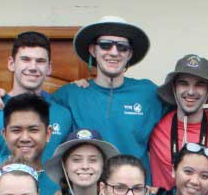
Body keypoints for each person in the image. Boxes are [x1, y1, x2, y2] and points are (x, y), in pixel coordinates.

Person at [51, 16, 163, 176]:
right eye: (105, 45)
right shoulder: (70, 94)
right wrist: (3, 96)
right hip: (87, 192)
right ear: (92, 50)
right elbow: (31, 116)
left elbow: (186, 112)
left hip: (135, 194)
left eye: (122, 47)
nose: (114, 52)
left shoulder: (148, 92)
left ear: (130, 53)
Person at [0, 30, 73, 163]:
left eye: (40, 61)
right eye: (25, 59)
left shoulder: (63, 115)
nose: (33, 67)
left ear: (49, 68)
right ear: (11, 63)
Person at [148, 54, 208, 189]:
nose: (191, 91)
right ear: (174, 88)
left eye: (199, 85)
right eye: (183, 84)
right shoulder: (156, 126)